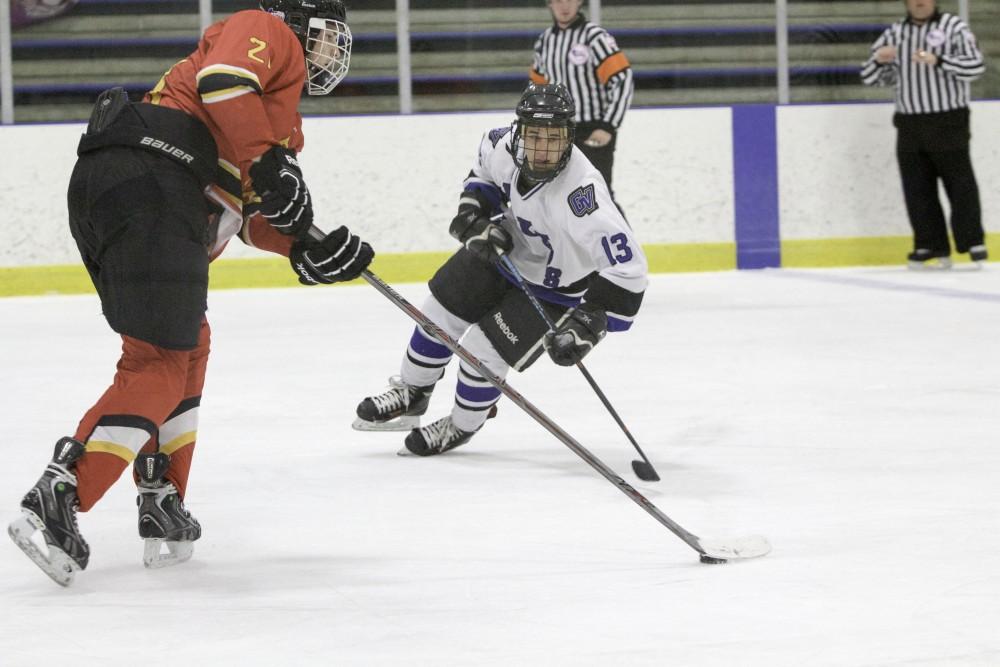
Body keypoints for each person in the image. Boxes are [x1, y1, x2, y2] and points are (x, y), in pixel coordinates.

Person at [8, 0, 373, 586]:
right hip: (153, 179)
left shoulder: (279, 123)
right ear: (300, 22)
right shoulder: (267, 29)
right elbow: (222, 80)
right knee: (159, 364)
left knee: (184, 345)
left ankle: (161, 495)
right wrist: (268, 161)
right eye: (330, 36)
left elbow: (250, 213)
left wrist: (307, 246)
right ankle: (62, 492)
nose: (335, 51)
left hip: (132, 187)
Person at [353, 83, 647, 456]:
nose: (542, 150)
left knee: (482, 351)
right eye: (534, 136)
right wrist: (473, 217)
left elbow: (629, 269)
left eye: (553, 139)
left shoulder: (582, 196)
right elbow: (482, 179)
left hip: (555, 286)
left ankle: (461, 425)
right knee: (437, 314)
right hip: (504, 254)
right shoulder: (499, 144)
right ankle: (412, 392)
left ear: (569, 138)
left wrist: (588, 324)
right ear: (518, 131)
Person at [860, 0, 987, 270]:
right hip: (909, 122)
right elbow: (871, 78)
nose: (920, 2)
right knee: (917, 188)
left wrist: (939, 60)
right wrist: (879, 60)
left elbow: (975, 68)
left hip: (948, 118)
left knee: (960, 183)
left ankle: (972, 241)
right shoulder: (894, 33)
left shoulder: (953, 27)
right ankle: (929, 244)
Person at [529, 0, 634, 196]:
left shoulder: (594, 37)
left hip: (592, 131)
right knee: (559, 197)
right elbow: (537, 90)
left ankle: (618, 229)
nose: (564, 6)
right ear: (549, 4)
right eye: (558, 0)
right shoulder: (544, 42)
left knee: (598, 197)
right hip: (556, 133)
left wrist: (607, 126)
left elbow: (622, 79)